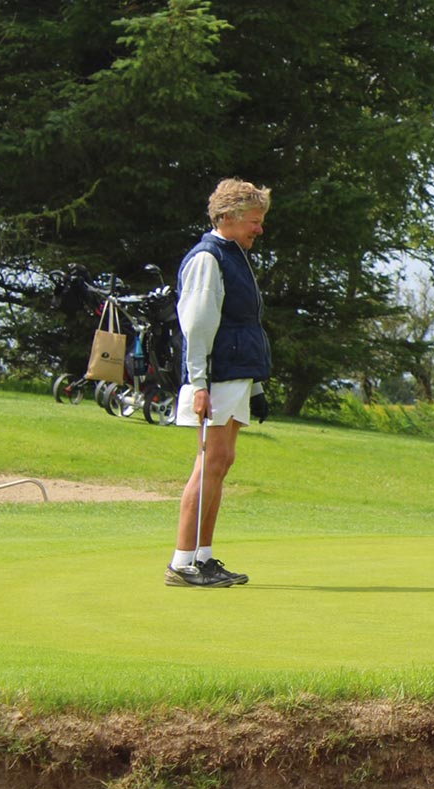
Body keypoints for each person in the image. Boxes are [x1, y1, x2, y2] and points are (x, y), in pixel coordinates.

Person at [164, 178, 274, 588]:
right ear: (226, 217)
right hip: (215, 376)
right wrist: (199, 385)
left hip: (235, 375)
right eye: (253, 220)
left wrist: (256, 387)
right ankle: (182, 563)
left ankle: (204, 557)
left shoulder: (235, 255)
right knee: (209, 464)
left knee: (221, 463)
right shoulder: (209, 258)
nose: (258, 229)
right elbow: (197, 325)